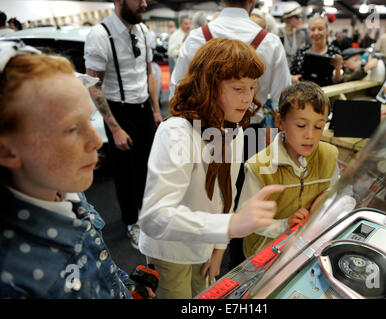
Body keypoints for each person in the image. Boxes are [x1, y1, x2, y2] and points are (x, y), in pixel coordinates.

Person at [0, 41, 154, 298]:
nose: (95, 141)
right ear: (7, 151)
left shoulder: (65, 191)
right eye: (71, 129)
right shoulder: (13, 278)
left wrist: (127, 287)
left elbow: (97, 260)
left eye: (89, 119)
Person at [138, 38, 285, 299]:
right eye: (238, 87)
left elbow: (223, 197)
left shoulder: (235, 129)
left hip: (205, 246)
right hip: (171, 250)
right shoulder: (177, 132)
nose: (248, 98)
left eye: (252, 87)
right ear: (208, 85)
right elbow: (154, 217)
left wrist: (218, 248)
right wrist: (228, 226)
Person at [84, 0, 162, 249]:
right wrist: (115, 128)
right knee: (126, 174)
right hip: (119, 111)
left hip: (144, 109)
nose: (144, 3)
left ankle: (148, 215)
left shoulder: (143, 30)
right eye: (137, 0)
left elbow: (148, 72)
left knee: (149, 168)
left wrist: (157, 110)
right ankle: (132, 223)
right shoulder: (100, 35)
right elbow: (93, 85)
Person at [237, 81, 339, 258]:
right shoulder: (259, 166)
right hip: (264, 253)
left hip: (306, 246)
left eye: (318, 126)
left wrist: (325, 199)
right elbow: (245, 217)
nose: (310, 135)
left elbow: (334, 190)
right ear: (281, 122)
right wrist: (284, 224)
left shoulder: (330, 155)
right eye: (301, 125)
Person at [290, 15, 343, 87]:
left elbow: (337, 81)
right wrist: (293, 78)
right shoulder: (301, 52)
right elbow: (291, 74)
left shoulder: (334, 52)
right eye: (313, 29)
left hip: (327, 94)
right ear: (309, 32)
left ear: (327, 31)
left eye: (320, 29)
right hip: (303, 93)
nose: (316, 33)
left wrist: (338, 67)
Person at [278, 2, 310, 68]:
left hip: (295, 71)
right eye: (298, 17)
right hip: (281, 70)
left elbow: (303, 54)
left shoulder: (301, 34)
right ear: (289, 18)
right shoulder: (278, 33)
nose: (300, 19)